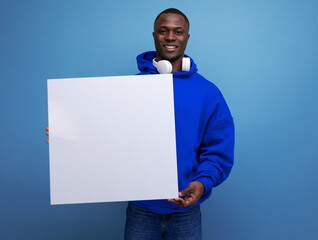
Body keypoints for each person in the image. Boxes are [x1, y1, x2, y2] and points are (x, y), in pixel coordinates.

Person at [46, 8, 234, 240]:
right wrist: (65, 136)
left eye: (178, 31)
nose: (170, 37)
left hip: (187, 211)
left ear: (187, 37)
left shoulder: (207, 92)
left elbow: (218, 148)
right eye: (163, 31)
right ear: (154, 35)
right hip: (141, 211)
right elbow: (104, 134)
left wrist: (202, 183)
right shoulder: (131, 89)